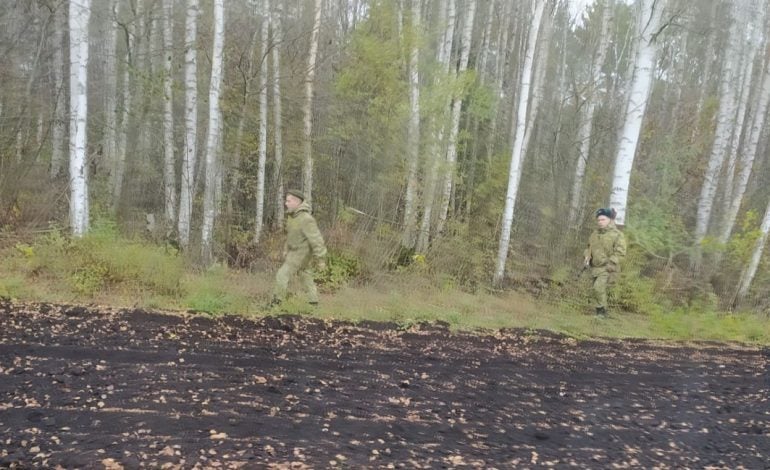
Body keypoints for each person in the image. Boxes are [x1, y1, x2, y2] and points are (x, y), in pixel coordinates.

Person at [271, 190, 327, 306]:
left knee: (282, 274)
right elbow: (290, 236)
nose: (286, 203)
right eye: (286, 201)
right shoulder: (292, 217)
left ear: (297, 202)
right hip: (294, 251)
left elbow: (316, 239)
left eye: (288, 201)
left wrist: (320, 258)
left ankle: (276, 303)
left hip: (301, 252)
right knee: (305, 275)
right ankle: (313, 302)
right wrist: (286, 249)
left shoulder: (306, 219)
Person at [583, 208, 626, 317]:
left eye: (603, 219)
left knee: (598, 288)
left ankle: (601, 312)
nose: (600, 222)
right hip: (595, 267)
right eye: (598, 220)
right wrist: (587, 257)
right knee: (596, 290)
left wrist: (611, 264)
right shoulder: (594, 234)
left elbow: (620, 252)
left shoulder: (617, 235)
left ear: (609, 220)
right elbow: (589, 247)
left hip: (607, 267)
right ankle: (601, 310)